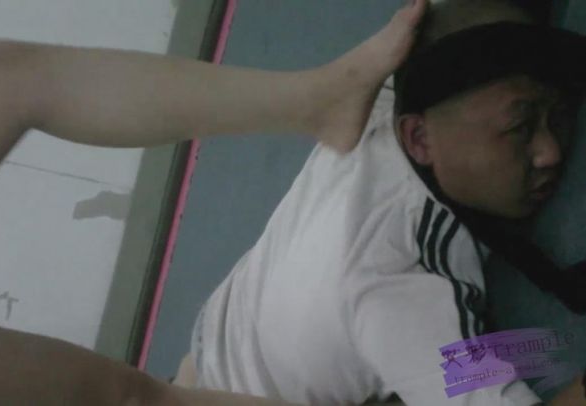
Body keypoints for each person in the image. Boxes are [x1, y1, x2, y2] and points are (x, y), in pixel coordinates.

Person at [0, 1, 430, 405]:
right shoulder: (416, 297)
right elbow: (463, 373)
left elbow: (463, 369)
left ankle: (321, 102)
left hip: (351, 330)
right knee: (129, 397)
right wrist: (467, 367)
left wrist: (468, 366)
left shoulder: (419, 282)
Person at [170, 0, 586, 405]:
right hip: (235, 388)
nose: (550, 152)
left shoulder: (384, 92)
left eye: (559, 115)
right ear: (418, 138)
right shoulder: (400, 289)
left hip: (220, 335)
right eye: (520, 127)